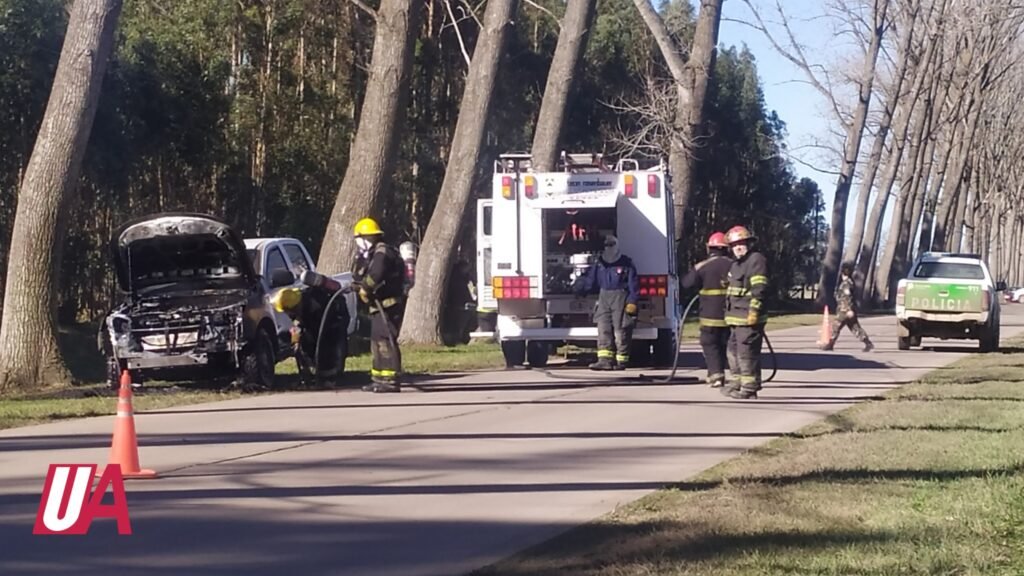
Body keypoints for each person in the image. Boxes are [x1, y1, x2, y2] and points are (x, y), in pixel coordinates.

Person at [352, 217, 406, 393]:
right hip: (378, 306)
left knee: (385, 341)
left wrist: (365, 288)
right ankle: (378, 379)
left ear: (367, 237)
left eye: (360, 239)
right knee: (376, 341)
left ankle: (390, 380)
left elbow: (376, 274)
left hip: (389, 305)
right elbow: (360, 274)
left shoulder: (383, 253)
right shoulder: (371, 254)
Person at [574, 234, 639, 370]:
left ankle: (622, 360)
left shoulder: (626, 263)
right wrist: (581, 290)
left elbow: (633, 284)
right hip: (603, 296)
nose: (609, 248)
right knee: (603, 328)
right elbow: (591, 281)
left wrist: (632, 301)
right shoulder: (599, 263)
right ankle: (604, 360)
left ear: (616, 245)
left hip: (620, 297)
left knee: (621, 329)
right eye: (607, 245)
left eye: (611, 245)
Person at [681, 232, 734, 387]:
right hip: (732, 314)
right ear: (727, 248)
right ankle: (731, 374)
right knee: (726, 344)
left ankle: (716, 375)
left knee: (710, 343)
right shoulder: (735, 266)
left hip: (710, 315)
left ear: (709, 248)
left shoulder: (702, 266)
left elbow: (686, 284)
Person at [722, 225, 769, 400]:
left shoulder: (756, 260)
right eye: (734, 245)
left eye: (741, 243)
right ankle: (738, 382)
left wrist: (754, 311)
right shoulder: (735, 265)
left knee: (746, 353)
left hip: (749, 317)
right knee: (732, 351)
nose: (738, 247)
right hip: (735, 317)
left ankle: (749, 387)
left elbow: (759, 287)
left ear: (748, 243)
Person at [270, 284, 348, 386]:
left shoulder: (315, 305)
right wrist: (296, 335)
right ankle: (310, 377)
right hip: (315, 323)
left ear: (294, 306)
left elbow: (318, 328)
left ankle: (329, 379)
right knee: (303, 344)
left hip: (332, 322)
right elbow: (298, 321)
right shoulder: (296, 303)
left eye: (287, 310)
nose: (286, 313)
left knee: (323, 347)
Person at [820, 262, 875, 352]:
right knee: (855, 328)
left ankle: (830, 344)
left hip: (844, 310)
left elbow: (848, 297)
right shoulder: (849, 282)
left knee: (836, 326)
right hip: (846, 309)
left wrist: (849, 309)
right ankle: (868, 343)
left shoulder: (846, 284)